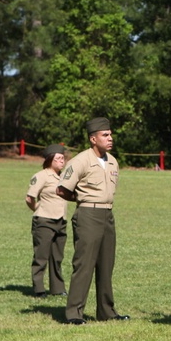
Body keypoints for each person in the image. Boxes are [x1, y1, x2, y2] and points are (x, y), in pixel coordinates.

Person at [57, 117, 128, 325]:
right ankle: (74, 313)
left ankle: (106, 311)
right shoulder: (80, 161)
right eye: (105, 135)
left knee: (107, 264)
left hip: (107, 214)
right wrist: (81, 199)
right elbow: (61, 189)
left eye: (110, 134)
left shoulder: (113, 161)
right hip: (88, 214)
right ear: (93, 139)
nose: (110, 138)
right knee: (84, 265)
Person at [26, 144, 69, 298]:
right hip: (44, 220)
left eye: (63, 158)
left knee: (57, 257)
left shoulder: (63, 176)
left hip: (61, 220)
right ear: (50, 159)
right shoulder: (42, 175)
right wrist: (37, 208)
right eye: (58, 158)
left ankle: (57, 288)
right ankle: (38, 288)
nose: (61, 161)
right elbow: (30, 197)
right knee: (41, 256)